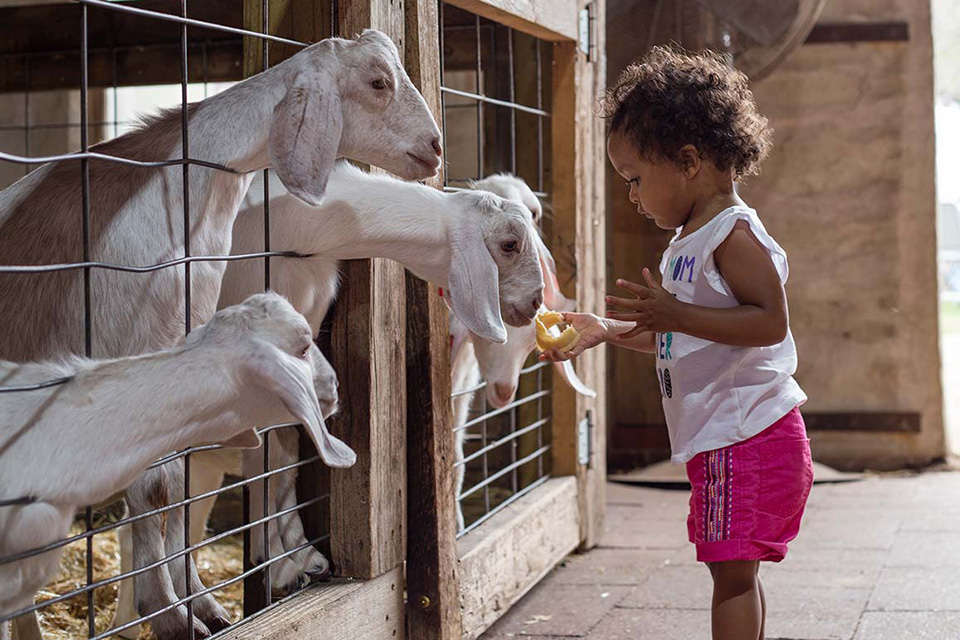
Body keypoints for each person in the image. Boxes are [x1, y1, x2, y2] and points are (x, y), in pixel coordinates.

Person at [541, 47, 812, 640]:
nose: (633, 196)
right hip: (726, 436)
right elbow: (678, 338)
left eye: (636, 179)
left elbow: (770, 322)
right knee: (734, 574)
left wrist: (675, 312)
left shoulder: (732, 234)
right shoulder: (687, 241)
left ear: (688, 160)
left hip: (751, 435)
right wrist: (605, 330)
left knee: (731, 577)